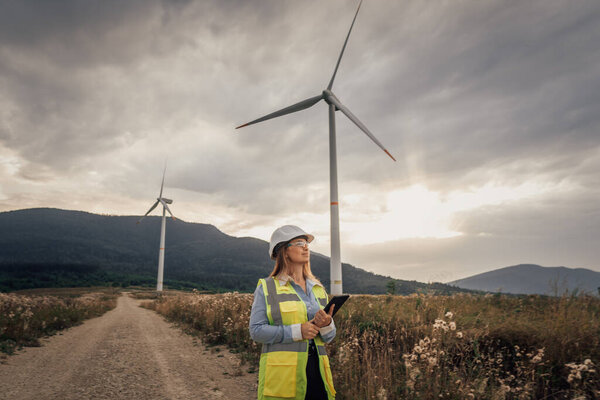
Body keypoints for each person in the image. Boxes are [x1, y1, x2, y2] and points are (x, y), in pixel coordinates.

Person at [250, 225, 337, 400]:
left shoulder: (318, 289)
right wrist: (298, 331)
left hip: (318, 373)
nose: (305, 247)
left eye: (306, 243)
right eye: (299, 243)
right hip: (284, 378)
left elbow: (328, 337)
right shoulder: (267, 288)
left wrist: (327, 324)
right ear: (284, 251)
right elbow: (256, 331)